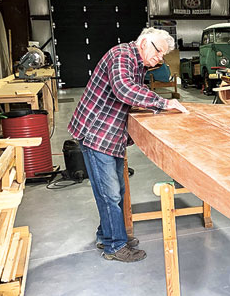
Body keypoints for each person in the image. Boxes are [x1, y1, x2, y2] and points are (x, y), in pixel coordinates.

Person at [68, 28, 188, 263]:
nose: (160, 58)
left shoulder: (138, 63)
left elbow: (139, 91)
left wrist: (155, 106)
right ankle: (115, 246)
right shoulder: (121, 55)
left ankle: (108, 234)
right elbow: (124, 90)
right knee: (109, 193)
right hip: (96, 131)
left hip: (111, 134)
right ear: (144, 43)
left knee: (117, 190)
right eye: (158, 51)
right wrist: (163, 103)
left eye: (163, 54)